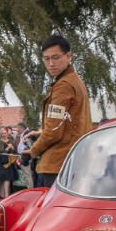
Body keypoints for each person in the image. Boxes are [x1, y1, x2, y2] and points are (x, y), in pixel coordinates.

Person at [21, 35, 91, 188]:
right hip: (75, 160)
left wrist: (32, 151)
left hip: (59, 163)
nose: (51, 64)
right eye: (46, 59)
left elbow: (53, 131)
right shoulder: (75, 81)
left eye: (56, 57)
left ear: (68, 56)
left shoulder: (63, 86)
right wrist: (41, 131)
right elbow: (67, 123)